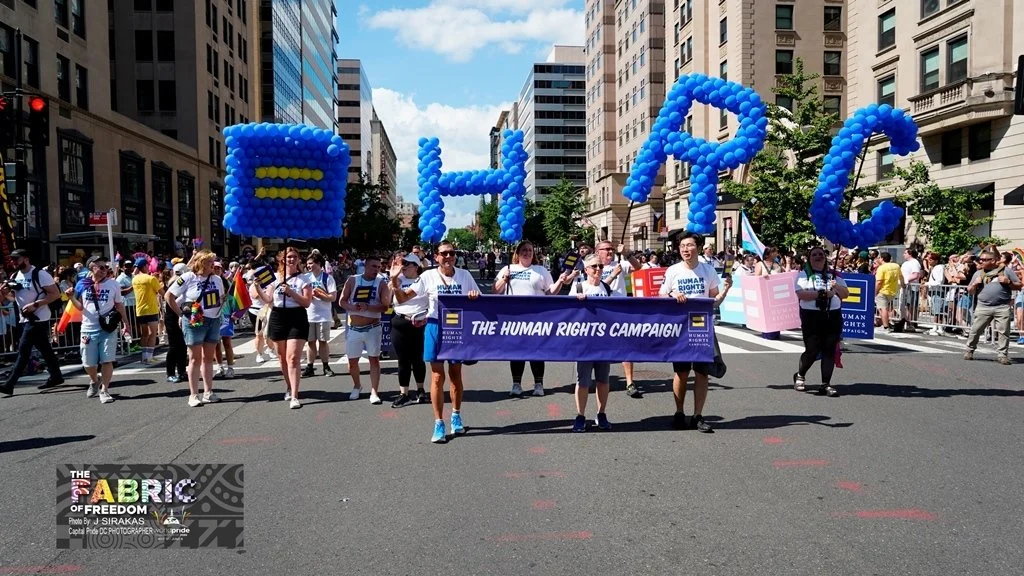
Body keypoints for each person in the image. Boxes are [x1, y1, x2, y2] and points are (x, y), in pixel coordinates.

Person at [659, 232, 732, 432]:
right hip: (680, 326)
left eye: (689, 245)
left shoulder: (708, 270)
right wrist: (674, 294)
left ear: (698, 248)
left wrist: (725, 290)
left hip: (701, 325)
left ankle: (698, 415)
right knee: (681, 372)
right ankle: (679, 412)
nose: (685, 249)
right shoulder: (673, 270)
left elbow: (714, 300)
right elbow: (662, 294)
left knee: (702, 372)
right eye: (682, 246)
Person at [493, 240, 574, 397]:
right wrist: (504, 279)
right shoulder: (508, 268)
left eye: (530, 250)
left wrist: (560, 281)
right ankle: (516, 384)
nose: (527, 252)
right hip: (514, 318)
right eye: (524, 250)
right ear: (517, 253)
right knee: (516, 352)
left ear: (533, 253)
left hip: (537, 318)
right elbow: (495, 291)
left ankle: (539, 384)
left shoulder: (540, 270)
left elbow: (551, 292)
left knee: (537, 351)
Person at [421, 241, 481, 443]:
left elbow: (478, 298)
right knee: (437, 377)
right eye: (444, 254)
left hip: (457, 327)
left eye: (451, 253)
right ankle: (438, 423)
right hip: (435, 326)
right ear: (436, 256)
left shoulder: (464, 275)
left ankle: (456, 415)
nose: (448, 257)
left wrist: (474, 296)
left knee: (455, 374)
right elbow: (404, 297)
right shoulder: (427, 276)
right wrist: (394, 282)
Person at [64, 255, 130, 403]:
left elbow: (119, 305)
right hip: (88, 328)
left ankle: (105, 390)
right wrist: (71, 297)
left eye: (105, 267)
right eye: (100, 267)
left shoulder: (113, 284)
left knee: (107, 360)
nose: (104, 270)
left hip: (107, 328)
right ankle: (94, 380)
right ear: (91, 268)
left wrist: (126, 323)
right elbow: (80, 306)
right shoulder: (83, 284)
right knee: (88, 363)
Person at [165, 250, 227, 408]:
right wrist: (180, 314)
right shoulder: (187, 277)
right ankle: (193, 394)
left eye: (213, 261)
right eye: (209, 261)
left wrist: (224, 300)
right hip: (195, 319)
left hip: (213, 319)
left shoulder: (217, 279)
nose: (212, 264)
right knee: (194, 358)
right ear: (200, 262)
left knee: (208, 357)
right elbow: (169, 296)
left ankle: (208, 392)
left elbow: (219, 298)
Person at [0, 249, 66, 396]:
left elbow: (55, 294)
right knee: (45, 349)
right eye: (12, 259)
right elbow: (15, 298)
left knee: (23, 350)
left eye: (17, 259)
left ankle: (9, 384)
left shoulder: (40, 274)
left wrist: (35, 305)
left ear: (26, 259)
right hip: (24, 319)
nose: (14, 261)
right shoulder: (15, 276)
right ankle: (56, 376)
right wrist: (5, 293)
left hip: (38, 318)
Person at [254, 246, 313, 408]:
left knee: (293, 357)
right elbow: (267, 299)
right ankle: (288, 385)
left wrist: (291, 293)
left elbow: (307, 302)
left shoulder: (304, 279)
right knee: (282, 357)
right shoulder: (276, 277)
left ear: (299, 260)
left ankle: (295, 395)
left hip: (297, 317)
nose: (291, 259)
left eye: (294, 257)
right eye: (288, 257)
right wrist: (258, 287)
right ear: (282, 260)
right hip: (278, 316)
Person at [567, 253, 618, 432]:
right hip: (584, 344)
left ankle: (601, 413)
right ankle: (580, 415)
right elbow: (568, 313)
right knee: (583, 382)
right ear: (586, 269)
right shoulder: (578, 287)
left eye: (600, 266)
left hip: (604, 343)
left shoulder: (606, 288)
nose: (598, 269)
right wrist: (577, 302)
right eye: (594, 267)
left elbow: (623, 307)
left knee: (603, 381)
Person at [793, 247, 850, 397]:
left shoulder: (833, 275)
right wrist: (821, 294)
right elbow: (801, 294)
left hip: (832, 316)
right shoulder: (803, 275)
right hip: (811, 316)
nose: (818, 256)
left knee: (829, 350)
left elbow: (845, 294)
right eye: (814, 254)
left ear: (825, 258)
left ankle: (826, 384)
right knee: (812, 350)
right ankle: (800, 375)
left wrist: (835, 286)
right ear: (809, 258)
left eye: (821, 254)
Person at [338, 255, 391, 403]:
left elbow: (385, 306)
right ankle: (357, 385)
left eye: (379, 267)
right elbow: (342, 301)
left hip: (373, 327)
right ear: (365, 266)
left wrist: (369, 307)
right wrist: (353, 307)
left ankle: (374, 391)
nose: (376, 269)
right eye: (374, 266)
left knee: (374, 359)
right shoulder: (353, 280)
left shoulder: (381, 283)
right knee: (352, 361)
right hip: (355, 327)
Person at [595, 240, 643, 398]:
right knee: (598, 346)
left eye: (611, 249)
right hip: (600, 311)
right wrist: (613, 276)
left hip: (620, 310)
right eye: (605, 249)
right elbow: (595, 287)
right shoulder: (593, 267)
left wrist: (627, 253)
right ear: (598, 251)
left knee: (626, 346)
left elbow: (637, 267)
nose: (609, 252)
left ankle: (630, 382)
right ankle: (598, 380)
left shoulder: (621, 263)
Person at [963, 249, 1021, 365]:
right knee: (976, 330)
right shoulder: (978, 273)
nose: (981, 261)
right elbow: (970, 291)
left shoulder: (1006, 271)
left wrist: (1008, 282)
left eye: (985, 260)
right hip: (983, 306)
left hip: (1002, 306)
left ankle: (1002, 355)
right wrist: (975, 284)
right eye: (981, 259)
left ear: (994, 261)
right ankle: (970, 350)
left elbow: (1019, 285)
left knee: (1004, 332)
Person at [389, 253, 430, 407]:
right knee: (403, 360)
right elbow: (388, 299)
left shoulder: (424, 281)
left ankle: (420, 390)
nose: (403, 267)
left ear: (416, 266)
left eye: (407, 264)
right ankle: (404, 393)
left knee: (418, 359)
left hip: (419, 322)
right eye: (402, 264)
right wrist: (392, 280)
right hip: (401, 321)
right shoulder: (398, 280)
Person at [303, 252, 338, 377]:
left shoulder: (327, 278)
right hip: (308, 314)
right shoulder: (305, 278)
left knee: (323, 341)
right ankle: (310, 366)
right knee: (310, 342)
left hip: (323, 315)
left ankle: (326, 366)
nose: (308, 266)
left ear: (318, 264)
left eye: (311, 263)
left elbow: (333, 297)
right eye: (307, 264)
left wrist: (320, 295)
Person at [130, 256, 163, 365]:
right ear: (144, 266)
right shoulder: (151, 278)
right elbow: (161, 292)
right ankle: (149, 357)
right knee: (153, 333)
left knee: (144, 334)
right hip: (151, 309)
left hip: (140, 310)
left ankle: (144, 357)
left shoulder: (134, 279)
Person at [164, 263, 188, 383]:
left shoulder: (180, 280)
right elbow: (172, 299)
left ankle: (182, 371)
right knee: (174, 346)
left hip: (181, 315)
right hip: (172, 317)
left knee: (183, 346)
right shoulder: (175, 282)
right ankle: (170, 373)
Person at [874, 253, 904, 332]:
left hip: (883, 291)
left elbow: (879, 282)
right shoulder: (896, 266)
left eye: (879, 258)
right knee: (885, 308)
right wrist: (903, 284)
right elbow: (901, 276)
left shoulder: (881, 268)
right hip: (893, 291)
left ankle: (886, 327)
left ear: (882, 259)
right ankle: (885, 324)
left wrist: (875, 292)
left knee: (882, 309)